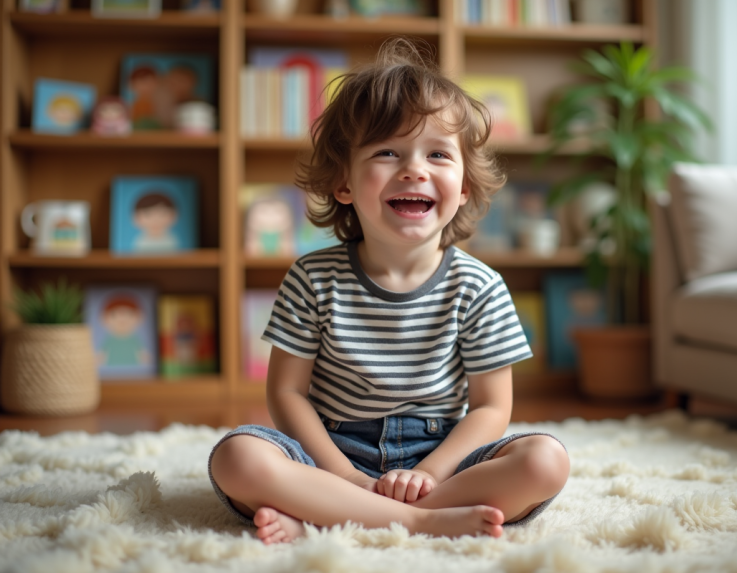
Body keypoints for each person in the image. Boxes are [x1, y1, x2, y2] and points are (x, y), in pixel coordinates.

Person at [209, 38, 570, 545]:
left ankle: (325, 517)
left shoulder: (480, 286)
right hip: (330, 452)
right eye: (386, 152)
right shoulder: (312, 278)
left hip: (441, 457)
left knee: (545, 461)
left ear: (464, 186)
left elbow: (491, 408)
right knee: (237, 457)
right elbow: (286, 393)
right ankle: (417, 521)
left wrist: (431, 473)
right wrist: (345, 476)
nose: (414, 169)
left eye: (438, 154)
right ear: (344, 184)